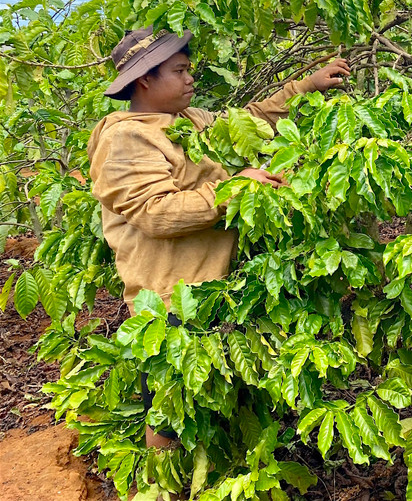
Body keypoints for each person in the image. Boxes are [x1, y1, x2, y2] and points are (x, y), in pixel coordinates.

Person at [86, 26, 350, 447]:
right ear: (145, 80)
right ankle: (161, 486)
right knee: (169, 414)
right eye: (180, 70)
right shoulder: (126, 137)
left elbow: (246, 122)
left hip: (219, 289)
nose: (191, 79)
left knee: (217, 400)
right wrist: (233, 189)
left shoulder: (188, 120)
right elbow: (156, 212)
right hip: (171, 300)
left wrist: (305, 86)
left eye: (189, 69)